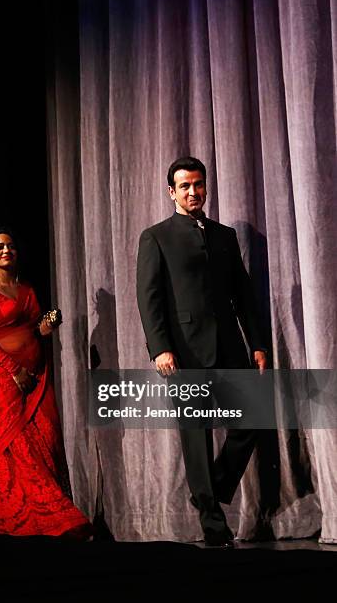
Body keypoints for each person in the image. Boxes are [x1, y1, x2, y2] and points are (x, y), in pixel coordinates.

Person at [136, 157, 267, 547]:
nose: (193, 192)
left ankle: (208, 490)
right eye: (185, 186)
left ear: (205, 188)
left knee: (252, 423)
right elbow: (150, 299)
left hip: (229, 347)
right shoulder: (156, 236)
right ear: (172, 192)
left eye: (199, 185)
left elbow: (243, 294)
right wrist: (160, 348)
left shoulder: (224, 235)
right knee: (197, 436)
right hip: (185, 353)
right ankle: (213, 526)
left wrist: (257, 342)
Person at [0, 228, 92, 538]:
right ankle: (34, 520)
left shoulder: (26, 289)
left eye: (10, 246)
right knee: (16, 451)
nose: (6, 251)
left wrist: (48, 325)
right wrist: (13, 370)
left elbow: (37, 330)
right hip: (3, 381)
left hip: (36, 380)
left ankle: (53, 517)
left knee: (45, 443)